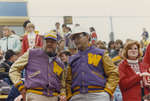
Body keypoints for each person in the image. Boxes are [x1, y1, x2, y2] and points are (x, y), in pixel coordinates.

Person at [9, 31, 66, 101]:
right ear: (43, 42)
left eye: (52, 42)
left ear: (57, 44)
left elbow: (63, 85)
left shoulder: (60, 63)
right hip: (35, 95)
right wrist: (21, 87)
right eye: (47, 41)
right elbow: (14, 69)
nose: (49, 44)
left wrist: (63, 94)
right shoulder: (32, 54)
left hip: (54, 97)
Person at [66, 27, 119, 101]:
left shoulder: (101, 53)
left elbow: (113, 73)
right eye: (74, 38)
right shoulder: (72, 58)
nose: (76, 40)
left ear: (87, 36)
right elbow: (68, 81)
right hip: (77, 96)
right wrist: (70, 96)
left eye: (78, 37)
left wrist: (107, 92)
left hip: (99, 95)